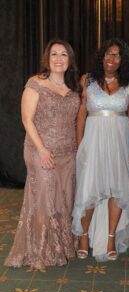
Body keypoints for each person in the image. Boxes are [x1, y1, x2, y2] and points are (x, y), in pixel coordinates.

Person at [4, 39, 81, 268]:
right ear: (47, 58)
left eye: (64, 54)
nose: (59, 59)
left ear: (70, 60)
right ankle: (40, 250)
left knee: (64, 201)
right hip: (41, 150)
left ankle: (60, 245)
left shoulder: (73, 88)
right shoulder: (35, 83)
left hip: (68, 153)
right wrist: (42, 149)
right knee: (44, 200)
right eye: (54, 54)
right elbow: (27, 119)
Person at [72, 38, 129, 262]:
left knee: (117, 190)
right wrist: (79, 146)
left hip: (120, 142)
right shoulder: (88, 80)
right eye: (108, 54)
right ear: (101, 57)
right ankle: (84, 236)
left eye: (117, 55)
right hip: (93, 142)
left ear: (123, 60)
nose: (111, 59)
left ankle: (111, 238)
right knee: (89, 189)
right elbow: (82, 114)